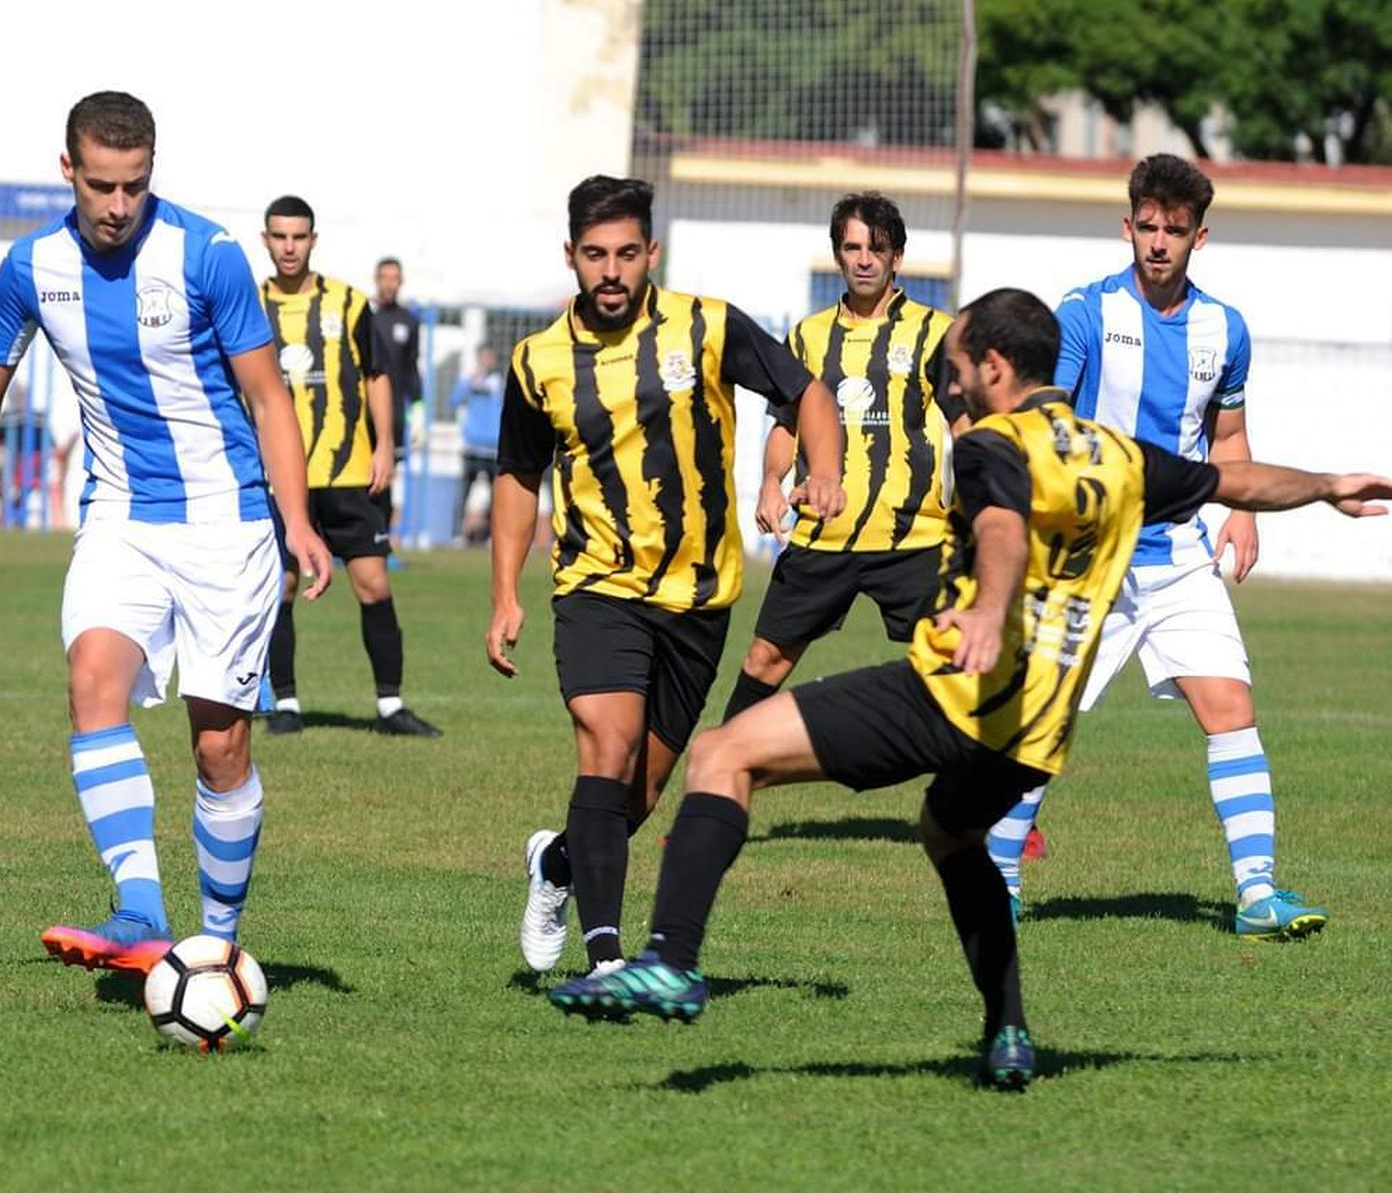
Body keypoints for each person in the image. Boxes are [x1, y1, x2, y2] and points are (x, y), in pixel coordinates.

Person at [547, 288, 1389, 1089]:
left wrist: (988, 609)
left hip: (958, 692)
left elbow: (1000, 525)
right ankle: (1010, 1030)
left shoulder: (992, 445)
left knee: (726, 752)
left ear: (993, 367)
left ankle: (669, 963)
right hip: (1038, 732)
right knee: (950, 833)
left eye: (955, 367)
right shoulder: (1116, 455)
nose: (947, 383)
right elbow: (1232, 482)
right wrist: (1326, 487)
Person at [0, 91, 333, 974]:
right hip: (119, 515)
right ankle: (140, 913)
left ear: (150, 172)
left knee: (220, 744)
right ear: (68, 171)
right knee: (93, 680)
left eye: (133, 185)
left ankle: (217, 942)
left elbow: (268, 396)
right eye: (100, 186)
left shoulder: (208, 256)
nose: (118, 205)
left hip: (225, 522)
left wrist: (299, 521)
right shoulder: (31, 266)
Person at [489, 174, 844, 978]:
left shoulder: (707, 326)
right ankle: (608, 956)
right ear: (571, 257)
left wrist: (822, 469)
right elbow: (517, 475)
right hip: (596, 585)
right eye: (593, 255)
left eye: (625, 254)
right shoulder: (538, 360)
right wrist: (505, 591)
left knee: (639, 793)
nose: (610, 271)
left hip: (699, 598)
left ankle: (555, 867)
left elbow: (807, 391)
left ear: (652, 252)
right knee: (606, 748)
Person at [985, 155, 1323, 939]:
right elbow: (1048, 414)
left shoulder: (1224, 329)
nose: (1159, 241)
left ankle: (1258, 892)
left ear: (1199, 236)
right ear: (1127, 225)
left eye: (1175, 229)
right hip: (1087, 556)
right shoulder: (1083, 313)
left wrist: (1242, 510)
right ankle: (998, 876)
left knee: (1231, 708)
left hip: (1176, 554)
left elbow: (1227, 435)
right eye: (1148, 225)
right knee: (1045, 719)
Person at [721, 192, 966, 722]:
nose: (863, 259)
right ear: (837, 255)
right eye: (852, 247)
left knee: (962, 664)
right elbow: (786, 421)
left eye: (876, 249)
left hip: (914, 538)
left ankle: (980, 796)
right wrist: (770, 482)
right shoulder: (808, 337)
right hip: (823, 532)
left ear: (897, 257)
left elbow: (965, 424)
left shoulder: (934, 333)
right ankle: (720, 776)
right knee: (764, 660)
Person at [258, 197, 441, 739]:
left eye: (299, 237)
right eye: (279, 236)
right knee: (280, 590)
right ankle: (285, 704)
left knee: (374, 585)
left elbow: (378, 375)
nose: (289, 246)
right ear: (265, 240)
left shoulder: (349, 303)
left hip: (349, 473)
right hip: (279, 477)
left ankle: (390, 707)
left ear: (313, 240)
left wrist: (384, 444)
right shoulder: (248, 304)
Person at [371, 256, 425, 547]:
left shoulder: (409, 322)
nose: (389, 283)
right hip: (363, 414)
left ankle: (382, 542)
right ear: (376, 279)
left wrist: (417, 409)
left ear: (400, 281)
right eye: (385, 277)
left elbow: (412, 369)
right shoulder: (365, 316)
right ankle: (350, 543)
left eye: (395, 277)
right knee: (358, 477)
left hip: (392, 415)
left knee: (387, 477)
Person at [449, 341, 504, 545]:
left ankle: (492, 535)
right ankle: (458, 534)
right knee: (464, 492)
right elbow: (454, 401)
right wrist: (470, 382)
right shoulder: (470, 380)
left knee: (496, 495)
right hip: (472, 446)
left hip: (493, 448)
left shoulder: (500, 382)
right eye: (484, 357)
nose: (488, 361)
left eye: (491, 357)